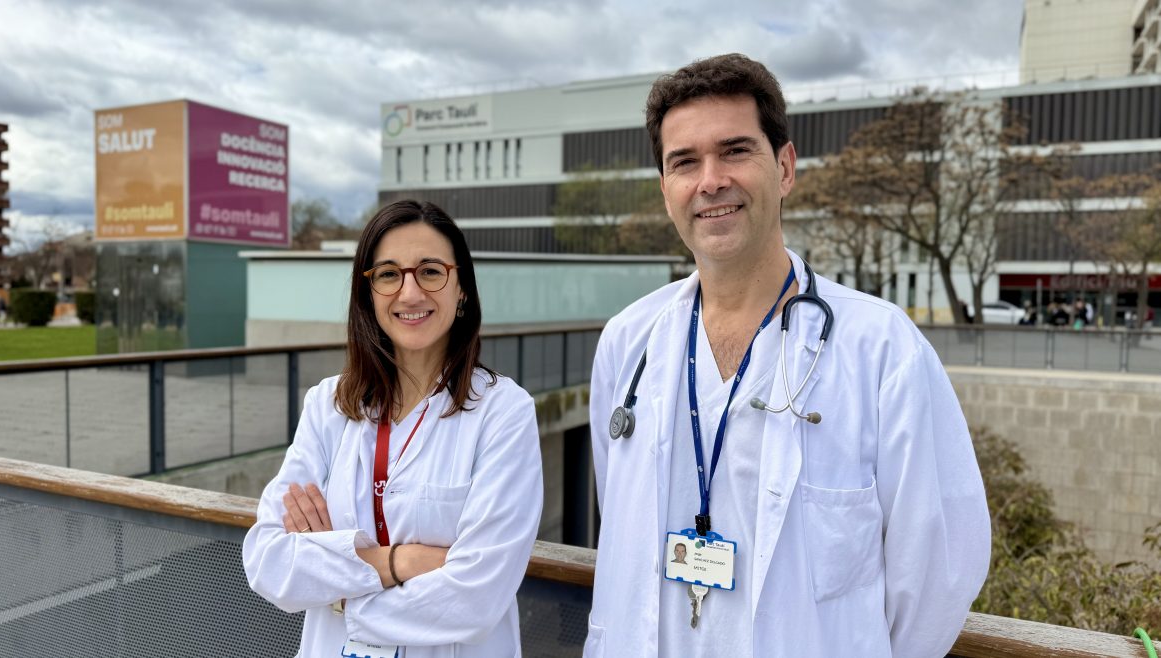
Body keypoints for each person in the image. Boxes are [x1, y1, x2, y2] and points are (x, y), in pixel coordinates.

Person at [584, 54, 990, 658]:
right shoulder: (628, 341)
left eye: (735, 151)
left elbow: (940, 568)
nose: (711, 180)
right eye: (684, 162)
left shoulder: (882, 349)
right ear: (665, 190)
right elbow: (618, 512)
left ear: (784, 168)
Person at [243, 200, 543, 658]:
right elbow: (268, 561)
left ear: (462, 288)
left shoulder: (503, 412)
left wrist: (338, 595)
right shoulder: (328, 406)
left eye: (430, 271)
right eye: (388, 274)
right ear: (368, 293)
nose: (409, 292)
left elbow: (476, 598)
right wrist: (399, 562)